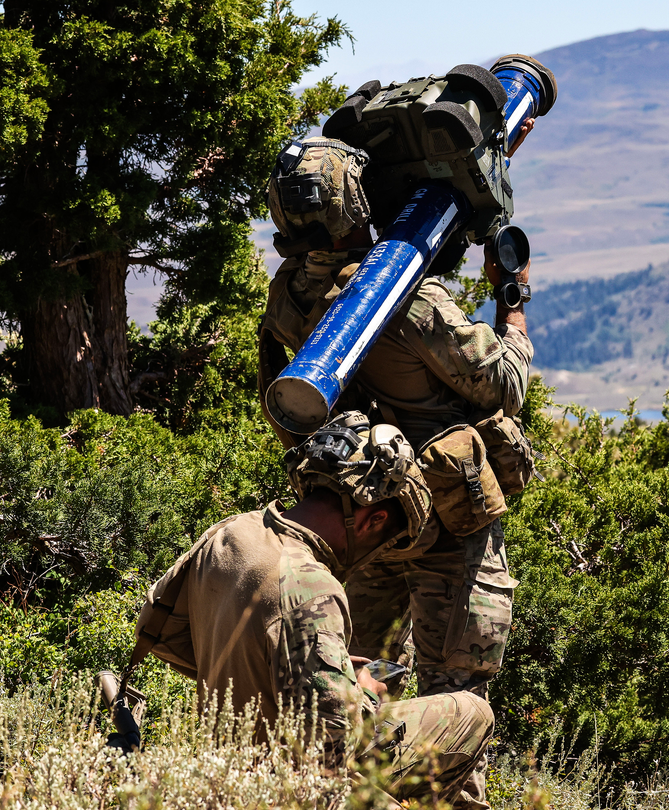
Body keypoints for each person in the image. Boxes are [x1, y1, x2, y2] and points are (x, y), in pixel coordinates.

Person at [258, 123, 536, 807]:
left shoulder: (290, 296)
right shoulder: (407, 299)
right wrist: (513, 303)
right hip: (450, 525)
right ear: (355, 201)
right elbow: (505, 383)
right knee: (457, 705)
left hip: (362, 526)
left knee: (354, 688)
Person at [134, 413, 494, 808]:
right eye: (389, 540)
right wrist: (364, 694)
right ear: (374, 519)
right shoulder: (313, 588)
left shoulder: (232, 531)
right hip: (285, 791)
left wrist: (256, 671)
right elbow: (331, 751)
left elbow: (158, 631)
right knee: (471, 712)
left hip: (223, 762)